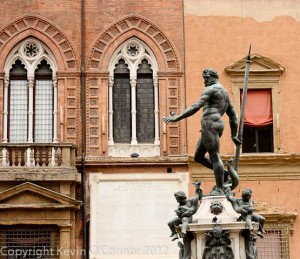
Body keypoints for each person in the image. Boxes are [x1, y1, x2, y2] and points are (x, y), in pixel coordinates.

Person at [163, 68, 241, 195]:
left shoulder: (211, 89)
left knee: (214, 156)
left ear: (212, 77)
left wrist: (176, 118)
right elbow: (233, 116)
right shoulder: (225, 93)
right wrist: (233, 135)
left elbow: (196, 106)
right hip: (217, 124)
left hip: (209, 123)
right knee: (198, 157)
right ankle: (224, 174)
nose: (205, 81)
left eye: (206, 78)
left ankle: (220, 189)